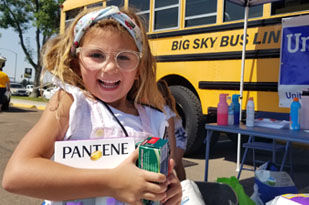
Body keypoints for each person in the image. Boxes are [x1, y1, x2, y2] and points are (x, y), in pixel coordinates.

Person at [2, 6, 182, 205]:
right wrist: (111, 182)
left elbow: (162, 177)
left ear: (138, 68)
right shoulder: (71, 104)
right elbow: (16, 175)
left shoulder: (154, 119)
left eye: (124, 57)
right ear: (77, 64)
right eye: (96, 55)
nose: (110, 67)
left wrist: (170, 189)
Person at [157, 80, 187, 181]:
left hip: (178, 137)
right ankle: (182, 184)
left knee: (176, 163)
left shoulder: (167, 110)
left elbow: (171, 133)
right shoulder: (155, 108)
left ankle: (183, 185)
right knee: (176, 165)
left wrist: (173, 153)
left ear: (163, 97)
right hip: (167, 139)